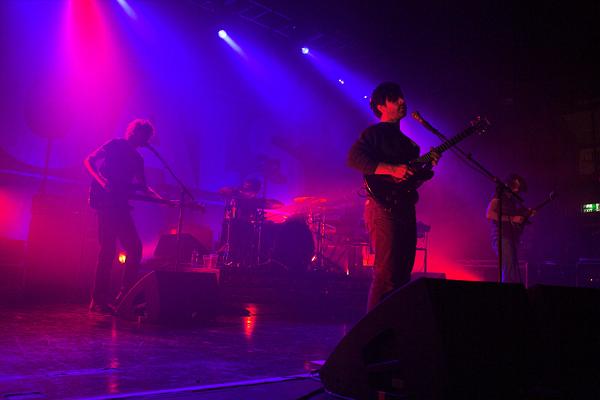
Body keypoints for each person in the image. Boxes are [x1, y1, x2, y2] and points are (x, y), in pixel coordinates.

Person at [348, 82, 440, 311]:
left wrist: (427, 168)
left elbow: (411, 180)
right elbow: (354, 158)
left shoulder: (409, 145)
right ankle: (373, 327)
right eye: (394, 98)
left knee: (402, 273)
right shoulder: (374, 134)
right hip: (382, 207)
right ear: (381, 106)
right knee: (386, 272)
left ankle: (394, 324)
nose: (402, 101)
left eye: (402, 97)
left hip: (405, 208)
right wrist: (391, 169)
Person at [84, 118, 164, 313]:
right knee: (108, 250)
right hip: (105, 203)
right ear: (134, 132)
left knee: (135, 247)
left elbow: (144, 188)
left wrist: (163, 200)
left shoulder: (138, 159)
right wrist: (102, 181)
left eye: (148, 137)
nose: (145, 140)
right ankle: (98, 299)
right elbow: (89, 160)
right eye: (144, 135)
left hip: (120, 206)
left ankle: (124, 296)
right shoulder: (115, 144)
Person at [486, 174, 534, 283]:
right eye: (515, 186)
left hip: (511, 237)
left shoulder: (513, 201)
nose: (517, 190)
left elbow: (516, 218)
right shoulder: (499, 195)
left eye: (519, 188)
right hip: (501, 236)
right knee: (509, 269)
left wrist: (526, 214)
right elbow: (489, 214)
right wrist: (513, 218)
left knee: (511, 268)